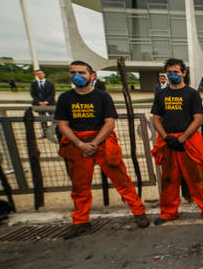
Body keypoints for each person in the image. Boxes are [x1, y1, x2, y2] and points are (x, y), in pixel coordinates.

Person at [55, 60, 149, 238]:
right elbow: (63, 125)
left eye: (81, 72)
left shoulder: (102, 97)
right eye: (73, 72)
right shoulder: (65, 98)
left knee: (122, 181)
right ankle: (80, 221)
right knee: (80, 186)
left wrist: (94, 143)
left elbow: (109, 122)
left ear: (92, 76)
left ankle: (139, 212)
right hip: (78, 146)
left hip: (103, 143)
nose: (77, 76)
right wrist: (80, 144)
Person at [150, 58, 203, 224]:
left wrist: (182, 138)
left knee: (198, 177)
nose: (173, 75)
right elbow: (156, 119)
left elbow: (198, 119)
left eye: (176, 72)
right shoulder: (161, 94)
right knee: (169, 179)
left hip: (189, 141)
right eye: (170, 72)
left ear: (183, 73)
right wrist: (167, 138)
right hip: (168, 141)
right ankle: (168, 212)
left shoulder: (192, 94)